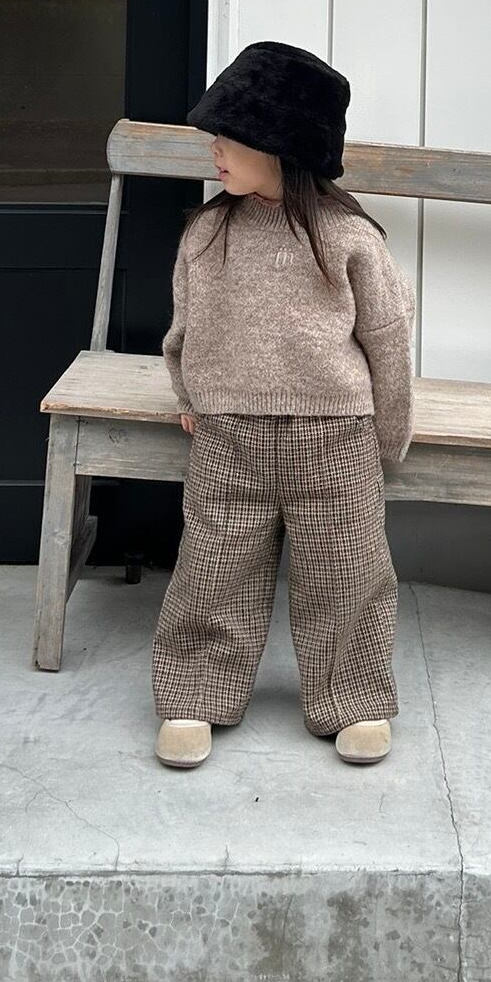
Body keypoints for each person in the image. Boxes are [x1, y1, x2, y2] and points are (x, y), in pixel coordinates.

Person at [150, 40, 416, 771]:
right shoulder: (208, 233)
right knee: (212, 567)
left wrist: (388, 436)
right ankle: (194, 692)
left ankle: (353, 699)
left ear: (280, 145)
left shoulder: (348, 238)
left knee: (347, 572)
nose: (214, 151)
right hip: (227, 438)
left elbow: (388, 339)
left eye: (228, 138)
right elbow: (184, 329)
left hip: (336, 440)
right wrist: (190, 395)